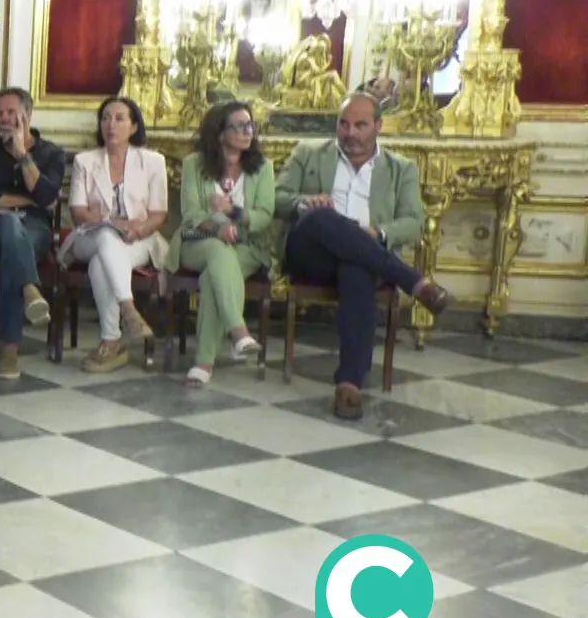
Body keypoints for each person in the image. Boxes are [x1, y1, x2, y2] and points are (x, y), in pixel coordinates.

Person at [274, 92, 450, 420]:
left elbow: (414, 221)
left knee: (357, 267)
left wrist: (379, 233)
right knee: (320, 217)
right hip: (311, 254)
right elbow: (277, 197)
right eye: (343, 124)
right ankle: (413, 281)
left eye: (360, 125)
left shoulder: (401, 169)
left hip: (367, 256)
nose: (350, 133)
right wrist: (305, 203)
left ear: (378, 126)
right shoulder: (308, 153)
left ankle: (349, 385)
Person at [59, 96, 168, 372]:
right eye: (106, 118)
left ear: (134, 127)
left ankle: (111, 342)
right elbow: (78, 213)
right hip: (89, 236)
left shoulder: (153, 161)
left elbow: (158, 214)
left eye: (119, 119)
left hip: (138, 239)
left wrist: (138, 228)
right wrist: (110, 221)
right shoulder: (85, 161)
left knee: (101, 263)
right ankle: (129, 309)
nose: (111, 124)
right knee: (106, 234)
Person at [168, 101, 271, 387]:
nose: (246, 131)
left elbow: (264, 216)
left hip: (246, 247)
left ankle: (204, 362)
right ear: (219, 132)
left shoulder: (262, 168)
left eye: (250, 125)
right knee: (216, 249)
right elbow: (191, 214)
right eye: (238, 126)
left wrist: (234, 213)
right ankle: (238, 331)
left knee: (213, 276)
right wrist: (218, 227)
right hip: (198, 243)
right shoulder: (194, 164)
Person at [0, 87, 67, 379]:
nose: (4, 119)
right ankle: (29, 289)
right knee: (10, 227)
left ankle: (9, 348)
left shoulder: (52, 153)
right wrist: (30, 201)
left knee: (15, 248)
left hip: (35, 229)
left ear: (28, 115)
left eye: (11, 112)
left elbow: (46, 196)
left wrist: (23, 155)